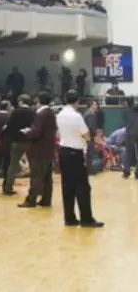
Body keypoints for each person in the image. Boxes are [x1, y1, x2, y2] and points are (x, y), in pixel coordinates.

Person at [56, 90, 104, 228]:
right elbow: (87, 135)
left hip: (63, 151)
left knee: (67, 186)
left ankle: (69, 218)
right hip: (75, 153)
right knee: (82, 187)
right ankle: (86, 219)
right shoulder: (76, 116)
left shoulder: (59, 114)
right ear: (77, 101)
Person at [19, 92, 56, 208]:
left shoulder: (41, 114)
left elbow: (36, 132)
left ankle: (31, 199)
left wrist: (27, 132)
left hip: (39, 150)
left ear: (38, 100)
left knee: (36, 176)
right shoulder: (51, 113)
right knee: (47, 177)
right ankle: (46, 199)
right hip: (48, 149)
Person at [1, 94, 35, 195]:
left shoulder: (15, 112)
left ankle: (8, 187)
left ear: (21, 101)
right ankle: (34, 189)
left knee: (13, 165)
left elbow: (10, 127)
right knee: (33, 166)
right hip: (30, 141)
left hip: (17, 141)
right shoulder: (33, 113)